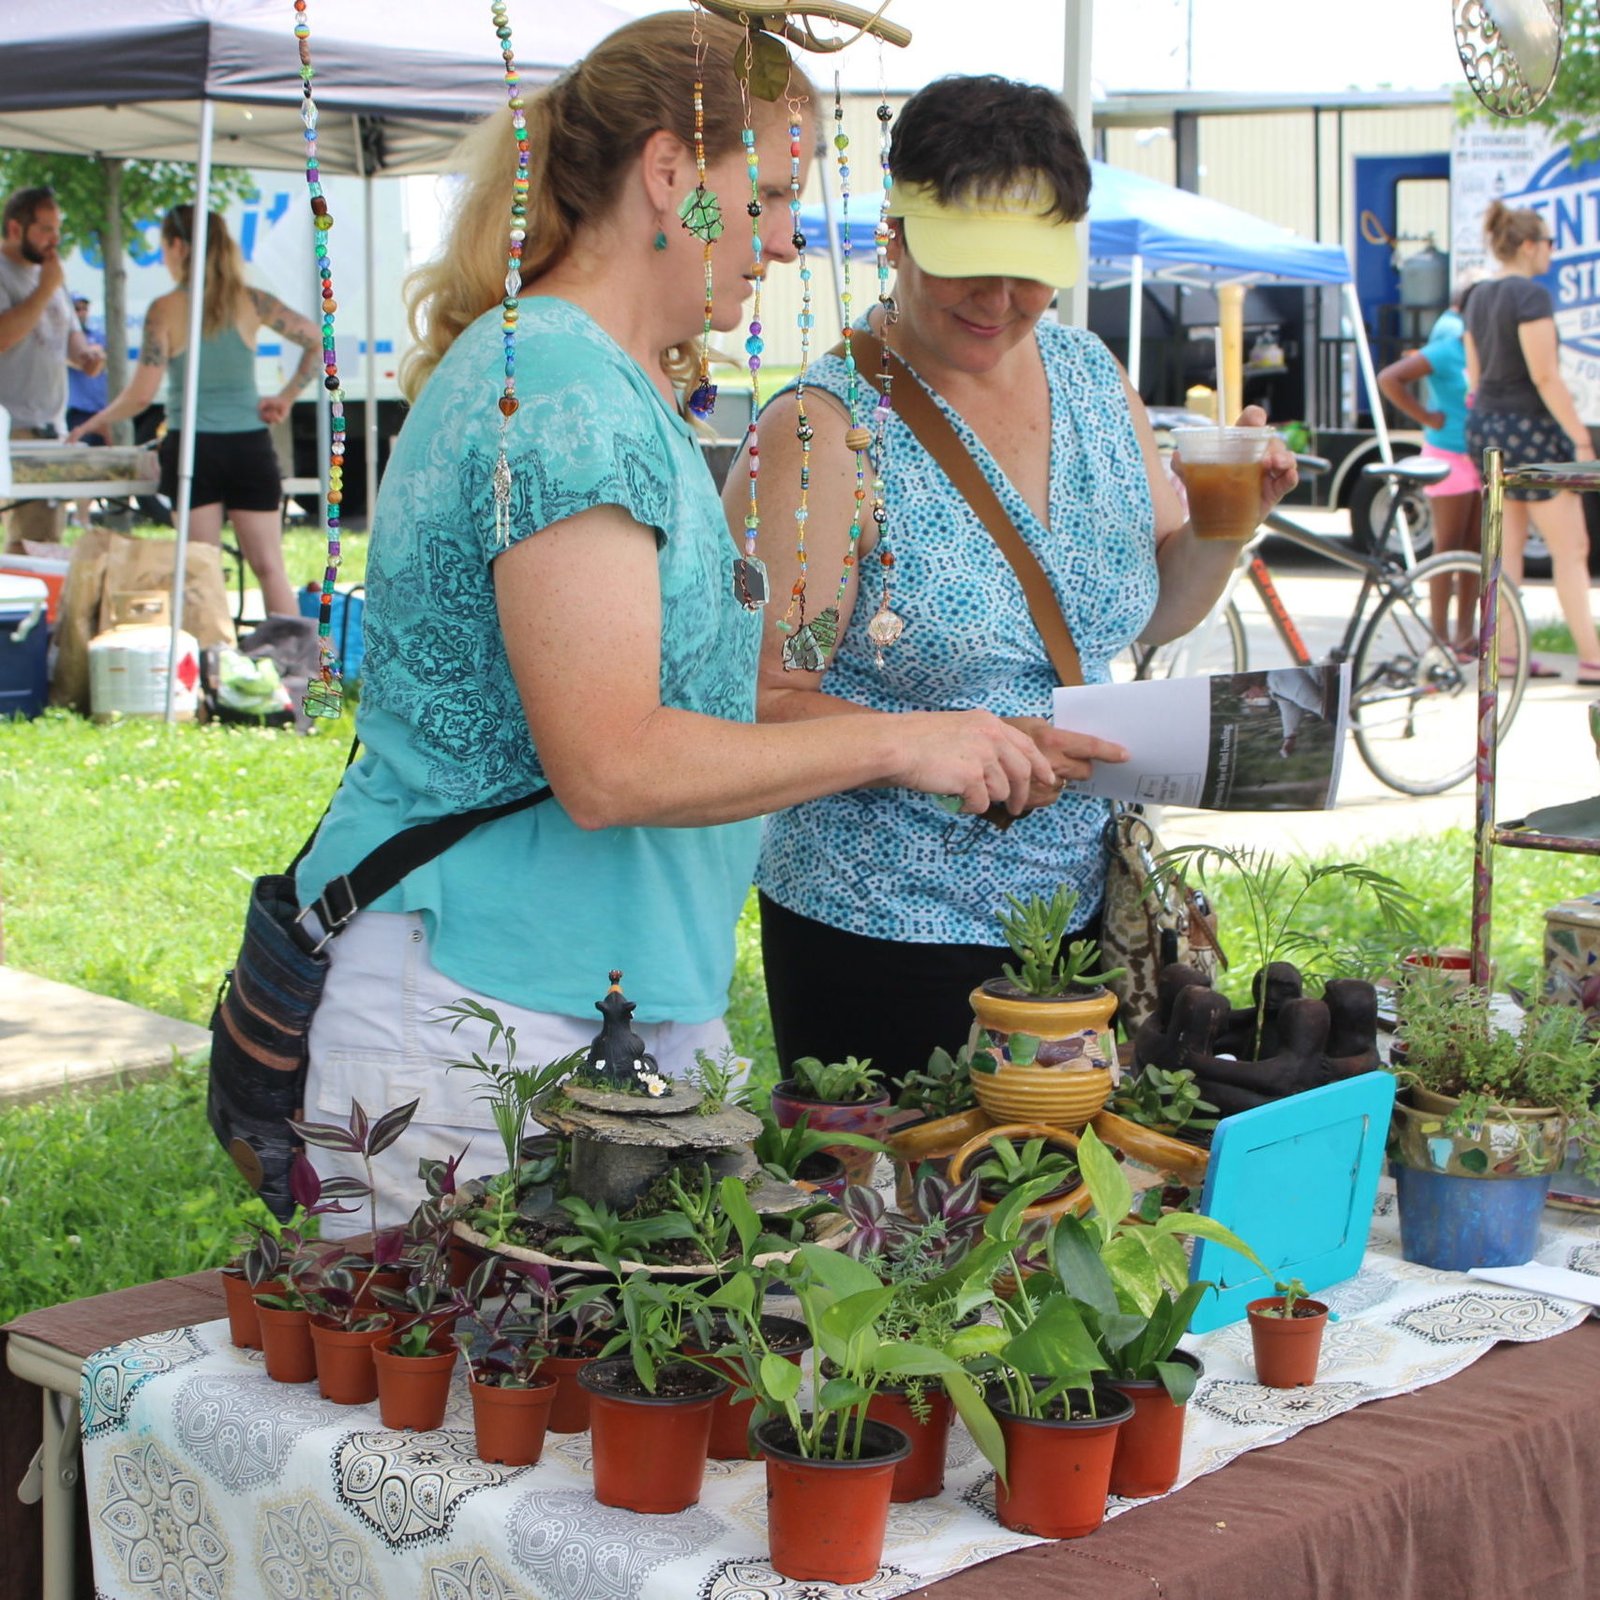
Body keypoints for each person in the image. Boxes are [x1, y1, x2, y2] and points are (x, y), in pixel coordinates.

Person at [292, 14, 1054, 1232]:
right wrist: (901, 743)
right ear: (669, 174)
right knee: (477, 1415)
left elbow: (689, 702)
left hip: (588, 1013)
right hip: (486, 1023)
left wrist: (951, 727)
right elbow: (611, 763)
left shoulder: (606, 375)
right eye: (775, 194)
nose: (793, 238)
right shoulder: (560, 391)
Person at [736, 75, 1299, 1091]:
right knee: (913, 1229)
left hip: (1077, 914)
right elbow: (764, 700)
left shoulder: (1088, 377)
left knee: (1063, 1227)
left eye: (1028, 276)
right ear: (896, 230)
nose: (999, 305)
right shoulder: (825, 434)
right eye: (969, 271)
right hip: (881, 923)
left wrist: (1228, 524)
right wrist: (933, 746)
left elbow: (1156, 606)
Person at [66, 206, 316, 617]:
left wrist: (91, 423)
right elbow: (318, 339)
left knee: (202, 569)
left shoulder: (165, 308)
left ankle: (212, 665)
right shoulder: (251, 300)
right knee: (270, 568)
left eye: (163, 246)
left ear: (178, 246)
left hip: (194, 450)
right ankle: (298, 670)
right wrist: (286, 396)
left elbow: (141, 395)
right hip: (250, 447)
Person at [1464, 200, 1600, 685]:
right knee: (1572, 547)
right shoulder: (1530, 296)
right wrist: (1580, 439)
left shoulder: (1477, 296)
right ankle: (1592, 656)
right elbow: (1545, 374)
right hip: (1532, 430)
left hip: (1486, 426)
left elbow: (1474, 376)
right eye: (1548, 242)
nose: (1551, 252)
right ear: (1528, 245)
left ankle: (1506, 654)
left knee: (1509, 550)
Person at [1377, 282, 1483, 659]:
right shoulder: (1446, 347)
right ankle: (1437, 638)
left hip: (1480, 458)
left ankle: (1465, 636)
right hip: (1448, 457)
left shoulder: (1484, 350)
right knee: (1448, 546)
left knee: (1475, 549)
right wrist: (1426, 417)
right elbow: (1389, 378)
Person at [0, 186, 104, 552]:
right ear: (15, 228)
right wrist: (45, 289)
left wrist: (86, 355)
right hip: (10, 427)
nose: (54, 240)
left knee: (38, 543)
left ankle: (31, 607)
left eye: (57, 230)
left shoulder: (53, 276)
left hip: (50, 427)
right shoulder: (13, 274)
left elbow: (68, 339)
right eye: (45, 229)